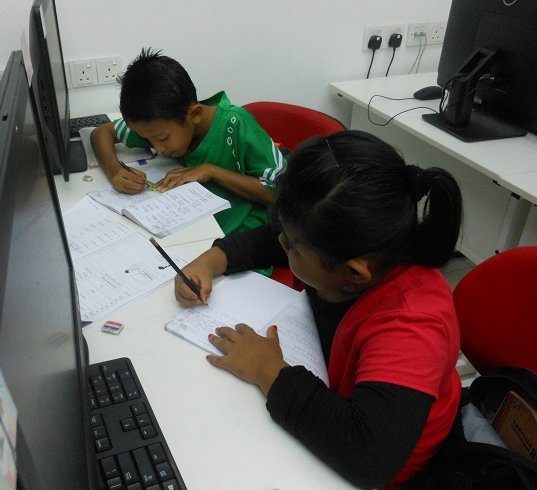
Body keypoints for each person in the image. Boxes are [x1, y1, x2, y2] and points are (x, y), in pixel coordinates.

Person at [173, 130, 464, 488]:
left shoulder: (411, 326)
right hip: (330, 389)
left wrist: (269, 370)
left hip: (382, 467)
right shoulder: (349, 246)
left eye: (293, 247)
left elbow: (369, 457)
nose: (282, 242)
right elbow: (277, 239)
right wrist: (210, 260)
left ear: (354, 273)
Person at [90, 48, 286, 236]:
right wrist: (115, 171)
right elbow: (101, 133)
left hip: (247, 230)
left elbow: (281, 194)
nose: (157, 147)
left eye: (162, 138)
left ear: (195, 114)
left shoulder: (236, 125)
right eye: (147, 139)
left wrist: (211, 171)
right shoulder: (159, 124)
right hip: (196, 223)